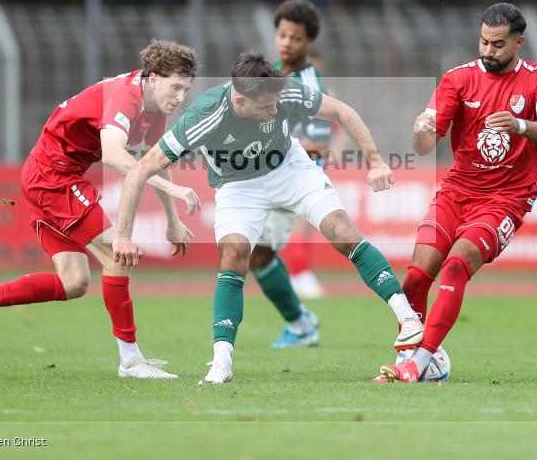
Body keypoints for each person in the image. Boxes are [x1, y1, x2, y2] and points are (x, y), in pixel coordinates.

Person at [112, 53, 424, 385]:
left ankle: (408, 319)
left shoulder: (282, 91)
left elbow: (341, 111)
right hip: (238, 187)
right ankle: (221, 363)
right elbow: (141, 170)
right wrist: (123, 234)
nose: (275, 110)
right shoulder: (205, 115)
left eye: (276, 103)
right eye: (265, 107)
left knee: (342, 231)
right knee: (233, 256)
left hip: (290, 168)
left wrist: (375, 161)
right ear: (240, 99)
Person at [0, 40, 202, 379]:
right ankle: (130, 361)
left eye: (185, 89)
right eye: (175, 87)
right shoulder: (126, 96)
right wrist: (172, 189)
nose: (180, 97)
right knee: (118, 253)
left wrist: (172, 220)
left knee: (75, 282)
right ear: (153, 78)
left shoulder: (155, 107)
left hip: (51, 176)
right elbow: (114, 155)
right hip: (53, 176)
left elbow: (154, 160)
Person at [378, 3, 537, 383]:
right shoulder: (457, 80)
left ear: (518, 42)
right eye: (483, 42)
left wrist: (518, 124)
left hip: (506, 198)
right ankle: (409, 357)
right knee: (416, 275)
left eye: (497, 44)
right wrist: (420, 129)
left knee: (457, 264)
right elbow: (425, 145)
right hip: (457, 190)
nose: (488, 51)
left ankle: (421, 362)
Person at [251, 0, 333, 349]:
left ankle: (301, 324)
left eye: (295, 38)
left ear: (309, 42)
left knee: (256, 253)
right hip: (266, 172)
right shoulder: (272, 74)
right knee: (256, 252)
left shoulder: (309, 83)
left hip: (291, 176)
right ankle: (300, 319)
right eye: (282, 35)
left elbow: (318, 143)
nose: (286, 42)